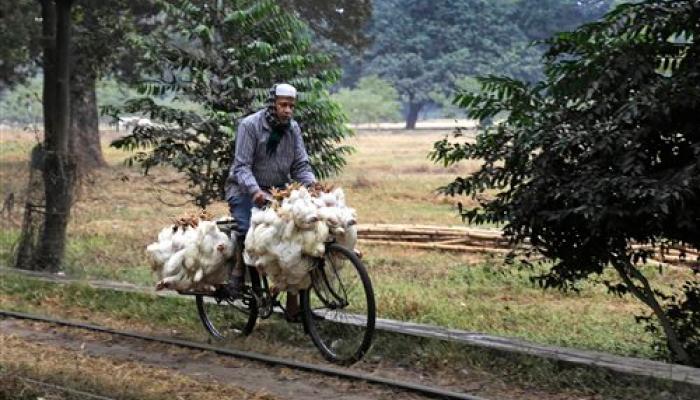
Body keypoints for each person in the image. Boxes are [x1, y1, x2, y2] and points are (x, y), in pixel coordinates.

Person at [224, 83, 315, 321]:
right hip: (244, 190)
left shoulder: (293, 129)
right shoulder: (250, 125)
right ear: (272, 104)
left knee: (296, 239)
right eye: (283, 105)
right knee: (248, 229)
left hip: (278, 191)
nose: (288, 110)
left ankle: (294, 307)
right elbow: (241, 166)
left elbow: (300, 165)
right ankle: (238, 268)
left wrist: (312, 187)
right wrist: (256, 192)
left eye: (291, 106)